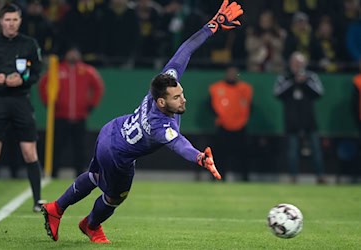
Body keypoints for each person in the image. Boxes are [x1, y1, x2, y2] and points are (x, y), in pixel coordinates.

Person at [41, 0, 243, 244]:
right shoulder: (159, 126)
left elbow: (185, 50)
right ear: (161, 103)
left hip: (111, 129)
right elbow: (178, 143)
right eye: (177, 98)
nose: (183, 100)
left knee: (95, 175)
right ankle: (90, 225)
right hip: (118, 155)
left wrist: (213, 26)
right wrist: (199, 157)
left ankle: (56, 208)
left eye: (181, 93)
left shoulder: (164, 82)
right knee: (116, 197)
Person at [0, 3, 43, 213]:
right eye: (7, 20)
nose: (11, 24)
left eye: (15, 20)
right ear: (0, 21)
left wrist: (22, 79)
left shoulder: (29, 44)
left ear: (20, 21)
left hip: (21, 100)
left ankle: (37, 200)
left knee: (29, 151)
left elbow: (36, 73)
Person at [39, 46, 105, 178]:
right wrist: (49, 103)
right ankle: (53, 172)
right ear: (66, 54)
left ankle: (80, 174)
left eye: (75, 52)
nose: (73, 55)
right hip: (60, 116)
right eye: (71, 52)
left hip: (80, 116)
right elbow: (42, 85)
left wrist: (91, 105)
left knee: (80, 148)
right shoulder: (56, 70)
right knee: (56, 146)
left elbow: (99, 87)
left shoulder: (87, 71)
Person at [273, 51, 325, 184]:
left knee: (316, 150)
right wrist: (293, 81)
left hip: (309, 119)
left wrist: (305, 82)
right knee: (292, 151)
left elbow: (319, 93)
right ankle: (293, 177)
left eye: (300, 63)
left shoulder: (311, 76)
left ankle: (320, 176)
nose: (297, 66)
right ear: (290, 64)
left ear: (305, 64)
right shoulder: (285, 77)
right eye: (295, 63)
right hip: (292, 120)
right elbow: (277, 93)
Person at [209, 66, 252, 181]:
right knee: (219, 155)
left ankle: (245, 179)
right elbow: (210, 106)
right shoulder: (216, 88)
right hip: (222, 126)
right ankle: (218, 177)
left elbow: (249, 106)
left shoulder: (245, 89)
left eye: (234, 73)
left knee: (243, 156)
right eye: (230, 73)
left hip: (240, 127)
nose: (232, 75)